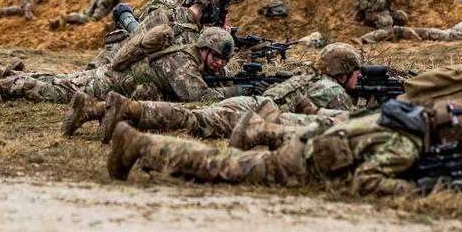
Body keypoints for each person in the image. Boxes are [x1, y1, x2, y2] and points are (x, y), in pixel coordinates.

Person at [107, 98, 462, 197]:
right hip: (298, 164)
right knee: (220, 165)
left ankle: (143, 147)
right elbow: (366, 181)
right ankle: (138, 143)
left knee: (225, 161)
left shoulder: (401, 117)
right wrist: (417, 189)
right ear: (448, 136)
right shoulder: (405, 146)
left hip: (308, 146)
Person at [63, 42, 363, 143]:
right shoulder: (331, 91)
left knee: (192, 116)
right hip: (255, 113)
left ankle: (94, 109)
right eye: (357, 71)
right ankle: (122, 110)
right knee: (191, 120)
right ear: (342, 71)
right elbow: (345, 127)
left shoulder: (309, 76)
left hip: (252, 103)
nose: (360, 77)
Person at [0, 27, 249, 109]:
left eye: (223, 60)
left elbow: (212, 83)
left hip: (113, 76)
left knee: (59, 80)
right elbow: (197, 99)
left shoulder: (193, 56)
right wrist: (241, 90)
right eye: (215, 57)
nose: (219, 63)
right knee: (51, 89)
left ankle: (2, 74)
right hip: (108, 84)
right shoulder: (183, 63)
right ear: (203, 48)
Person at [83, 0, 218, 70]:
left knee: (80, 79)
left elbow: (141, 21)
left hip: (117, 49)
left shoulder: (162, 5)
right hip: (125, 62)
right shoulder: (189, 33)